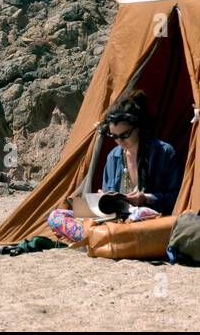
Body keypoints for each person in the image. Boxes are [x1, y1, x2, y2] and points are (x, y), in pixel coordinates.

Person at [46, 91, 184, 243]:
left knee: (141, 213)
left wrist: (147, 198)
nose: (119, 141)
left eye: (124, 135)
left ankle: (101, 238)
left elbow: (176, 197)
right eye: (114, 136)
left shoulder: (164, 152)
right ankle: (107, 237)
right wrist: (103, 197)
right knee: (56, 216)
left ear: (138, 127)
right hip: (116, 219)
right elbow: (110, 199)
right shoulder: (114, 156)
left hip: (147, 219)